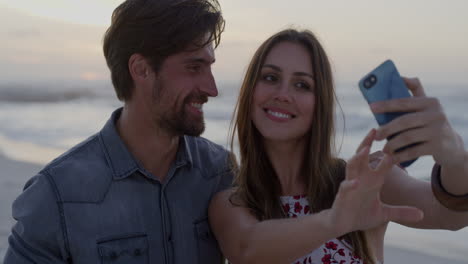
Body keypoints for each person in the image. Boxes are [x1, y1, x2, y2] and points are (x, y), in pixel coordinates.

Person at [208, 29, 468, 264]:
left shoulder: (363, 181)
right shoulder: (232, 203)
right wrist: (335, 220)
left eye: (302, 84)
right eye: (270, 77)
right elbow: (248, 250)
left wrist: (455, 156)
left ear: (319, 103)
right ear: (250, 90)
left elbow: (452, 217)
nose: (283, 94)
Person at [4, 0, 233, 263]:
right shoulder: (57, 194)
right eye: (194, 68)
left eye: (210, 67)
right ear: (141, 69)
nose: (212, 88)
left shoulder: (220, 173)